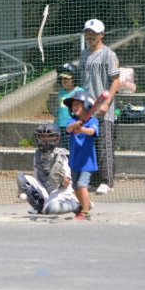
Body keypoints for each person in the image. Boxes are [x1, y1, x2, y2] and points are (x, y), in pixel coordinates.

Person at [79, 19, 121, 195]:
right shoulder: (83, 54)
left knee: (105, 145)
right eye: (88, 33)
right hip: (87, 111)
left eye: (94, 33)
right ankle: (94, 180)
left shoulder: (108, 54)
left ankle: (107, 181)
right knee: (90, 147)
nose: (90, 36)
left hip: (103, 110)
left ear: (102, 34)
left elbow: (116, 81)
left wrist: (106, 103)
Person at [16, 123, 80, 215]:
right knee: (21, 179)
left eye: (50, 136)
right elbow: (37, 178)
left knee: (51, 208)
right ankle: (41, 207)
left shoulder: (60, 155)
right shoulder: (37, 154)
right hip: (45, 191)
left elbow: (66, 183)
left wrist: (58, 176)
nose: (45, 139)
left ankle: (76, 203)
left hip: (61, 192)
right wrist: (26, 189)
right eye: (42, 136)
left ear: (57, 138)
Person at [63, 91, 99, 221]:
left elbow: (92, 131)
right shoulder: (72, 120)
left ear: (87, 105)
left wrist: (82, 129)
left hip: (87, 162)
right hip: (74, 161)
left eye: (78, 103)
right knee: (75, 187)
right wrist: (75, 126)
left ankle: (85, 212)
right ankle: (85, 205)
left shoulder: (92, 121)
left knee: (83, 185)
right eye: (73, 104)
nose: (75, 106)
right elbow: (68, 129)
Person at [55, 63, 83, 150]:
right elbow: (59, 109)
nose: (64, 81)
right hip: (61, 126)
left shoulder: (79, 91)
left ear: (74, 78)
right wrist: (55, 124)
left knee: (72, 149)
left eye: (67, 78)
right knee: (61, 150)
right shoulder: (61, 92)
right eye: (62, 78)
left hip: (73, 126)